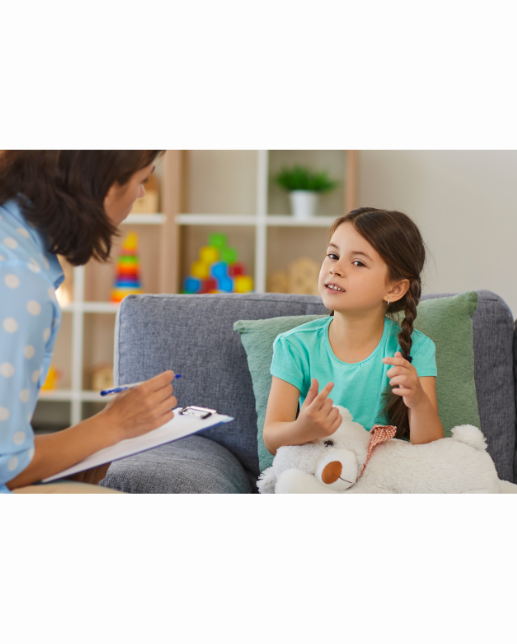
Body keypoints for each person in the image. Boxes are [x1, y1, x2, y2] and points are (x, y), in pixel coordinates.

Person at [0, 151, 178, 493]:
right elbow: (7, 467)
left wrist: (82, 447)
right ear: (108, 188)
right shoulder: (21, 284)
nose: (142, 193)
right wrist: (113, 425)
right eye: (142, 179)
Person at [263, 206, 444, 455]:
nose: (335, 268)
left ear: (394, 289)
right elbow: (271, 439)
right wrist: (303, 429)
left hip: (383, 472)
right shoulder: (294, 346)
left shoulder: (417, 349)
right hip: (319, 468)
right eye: (333, 255)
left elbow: (431, 448)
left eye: (358, 262)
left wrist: (418, 401)